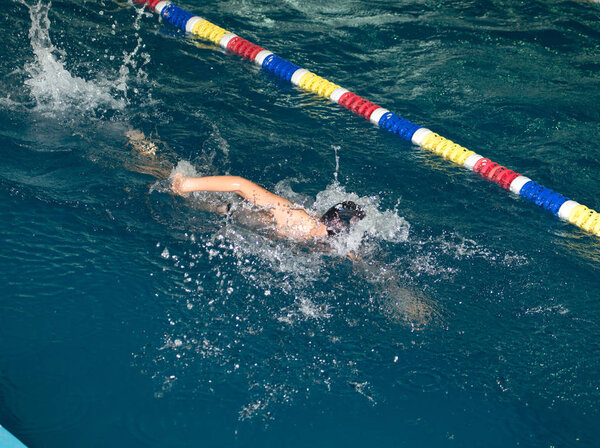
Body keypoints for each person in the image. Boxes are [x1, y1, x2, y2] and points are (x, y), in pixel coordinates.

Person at [127, 130, 365, 241]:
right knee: (169, 177)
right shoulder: (298, 218)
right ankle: (141, 145)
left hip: (234, 214)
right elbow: (240, 185)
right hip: (227, 206)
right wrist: (187, 185)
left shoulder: (322, 237)